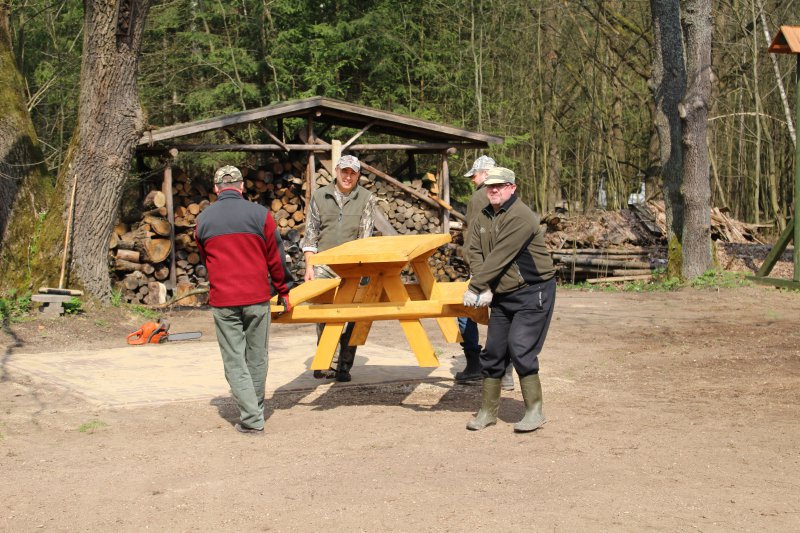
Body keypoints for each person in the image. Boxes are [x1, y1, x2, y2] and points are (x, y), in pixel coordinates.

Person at [195, 165, 292, 435]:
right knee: (257, 356)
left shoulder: (202, 220)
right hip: (257, 297)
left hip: (224, 299)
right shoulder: (261, 215)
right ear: (241, 187)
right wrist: (284, 290)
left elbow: (205, 259)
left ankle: (252, 418)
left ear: (216, 189)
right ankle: (254, 410)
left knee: (234, 360)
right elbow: (276, 257)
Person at [463, 166, 556, 433]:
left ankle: (534, 411)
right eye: (490, 186)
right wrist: (484, 286)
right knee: (493, 351)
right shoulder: (483, 216)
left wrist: (477, 286)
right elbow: (474, 251)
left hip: (532, 291)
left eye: (499, 186)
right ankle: (487, 412)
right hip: (502, 294)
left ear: (512, 188)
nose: (493, 190)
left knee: (520, 347)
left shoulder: (521, 216)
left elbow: (500, 256)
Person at [300, 154, 376, 382]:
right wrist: (309, 266)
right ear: (337, 171)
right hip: (324, 263)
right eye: (345, 171)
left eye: (353, 173)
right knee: (322, 313)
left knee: (353, 315)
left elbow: (365, 237)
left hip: (353, 265)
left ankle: (343, 365)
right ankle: (325, 360)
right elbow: (311, 233)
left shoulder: (366, 198)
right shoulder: (320, 195)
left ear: (358, 175)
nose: (348, 176)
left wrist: (362, 269)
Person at [456, 155, 515, 391]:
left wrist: (471, 264)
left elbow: (472, 235)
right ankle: (506, 372)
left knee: (464, 311)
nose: (472, 180)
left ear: (485, 174)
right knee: (504, 315)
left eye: (474, 175)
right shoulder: (511, 196)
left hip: (483, 265)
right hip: (508, 265)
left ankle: (474, 363)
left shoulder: (479, 196)